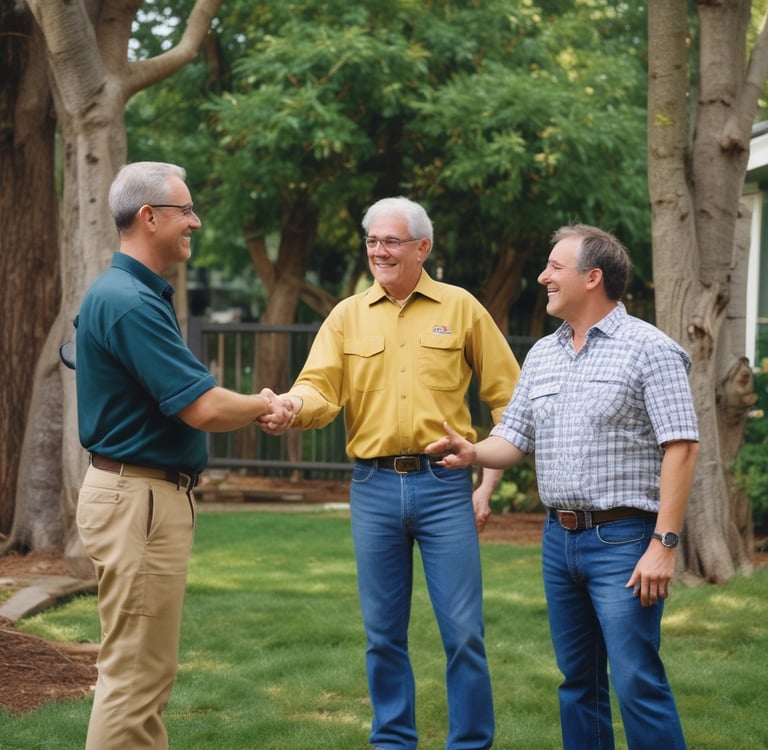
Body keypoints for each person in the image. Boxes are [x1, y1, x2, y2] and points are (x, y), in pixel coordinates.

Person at [259, 196, 520, 750]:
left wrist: (486, 481)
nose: (379, 251)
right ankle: (393, 742)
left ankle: (471, 744)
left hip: (446, 486)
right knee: (382, 636)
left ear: (422, 247)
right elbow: (319, 390)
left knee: (465, 634)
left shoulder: (462, 308)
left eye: (391, 241)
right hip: (373, 488)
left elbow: (510, 400)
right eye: (373, 241)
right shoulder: (347, 316)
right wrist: (289, 406)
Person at [425, 224, 699, 750]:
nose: (542, 276)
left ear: (592, 278)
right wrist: (474, 451)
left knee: (636, 680)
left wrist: (663, 545)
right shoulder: (544, 355)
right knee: (578, 683)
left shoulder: (650, 350)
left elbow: (681, 448)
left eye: (555, 267)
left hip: (624, 543)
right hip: (560, 541)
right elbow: (514, 436)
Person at [74, 161, 292, 750]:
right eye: (185, 211)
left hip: (140, 497)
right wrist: (265, 402)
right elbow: (201, 407)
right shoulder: (129, 302)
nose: (194, 221)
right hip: (137, 500)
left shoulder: (129, 293)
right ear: (149, 217)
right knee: (134, 677)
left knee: (145, 673)